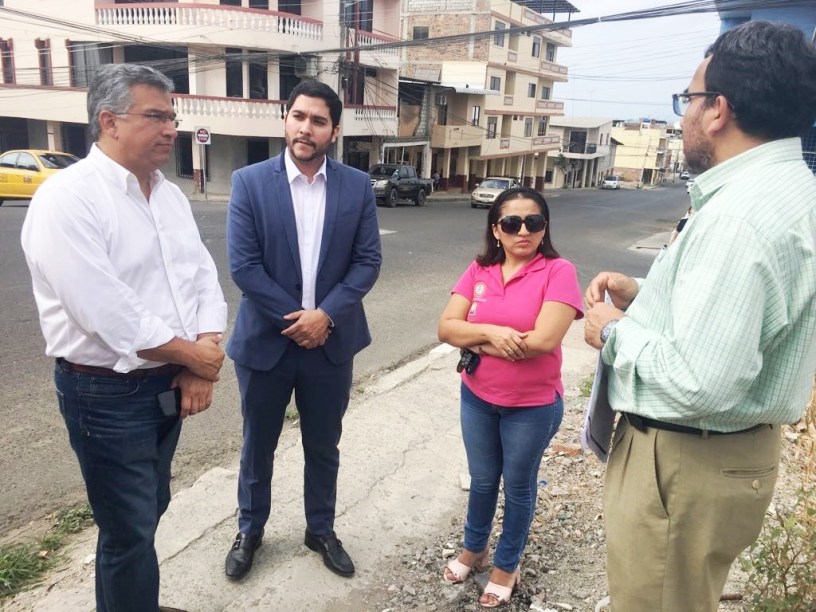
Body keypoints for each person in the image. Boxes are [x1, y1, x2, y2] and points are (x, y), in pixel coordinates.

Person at [584, 21, 816, 612]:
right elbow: (744, 316)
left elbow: (700, 380)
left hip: (685, 456)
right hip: (716, 456)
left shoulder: (740, 216)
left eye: (688, 99)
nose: (684, 114)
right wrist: (644, 294)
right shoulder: (791, 189)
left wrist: (612, 334)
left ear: (718, 110)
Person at [20, 64, 228, 612]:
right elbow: (107, 313)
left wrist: (198, 356)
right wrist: (199, 358)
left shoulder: (168, 195)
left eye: (173, 117)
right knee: (128, 530)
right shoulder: (68, 198)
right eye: (156, 115)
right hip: (106, 395)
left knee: (149, 507)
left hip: (166, 382)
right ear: (109, 121)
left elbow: (200, 277)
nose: (171, 128)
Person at [224, 80, 382, 580]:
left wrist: (326, 315)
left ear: (334, 131)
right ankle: (250, 530)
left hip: (330, 344)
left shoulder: (356, 187)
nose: (305, 128)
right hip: (266, 343)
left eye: (318, 120)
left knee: (323, 442)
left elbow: (367, 262)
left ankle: (321, 528)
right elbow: (244, 267)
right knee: (257, 444)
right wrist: (299, 319)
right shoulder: (249, 182)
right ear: (285, 118)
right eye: (298, 116)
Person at [438, 187, 583, 608]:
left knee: (518, 486)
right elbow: (446, 327)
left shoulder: (558, 271)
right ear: (496, 230)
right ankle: (475, 549)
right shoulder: (480, 269)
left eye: (533, 222)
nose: (523, 230)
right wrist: (493, 334)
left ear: (544, 228)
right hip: (478, 396)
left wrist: (475, 338)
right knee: (482, 480)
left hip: (532, 406)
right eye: (511, 223)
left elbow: (543, 340)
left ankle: (506, 564)